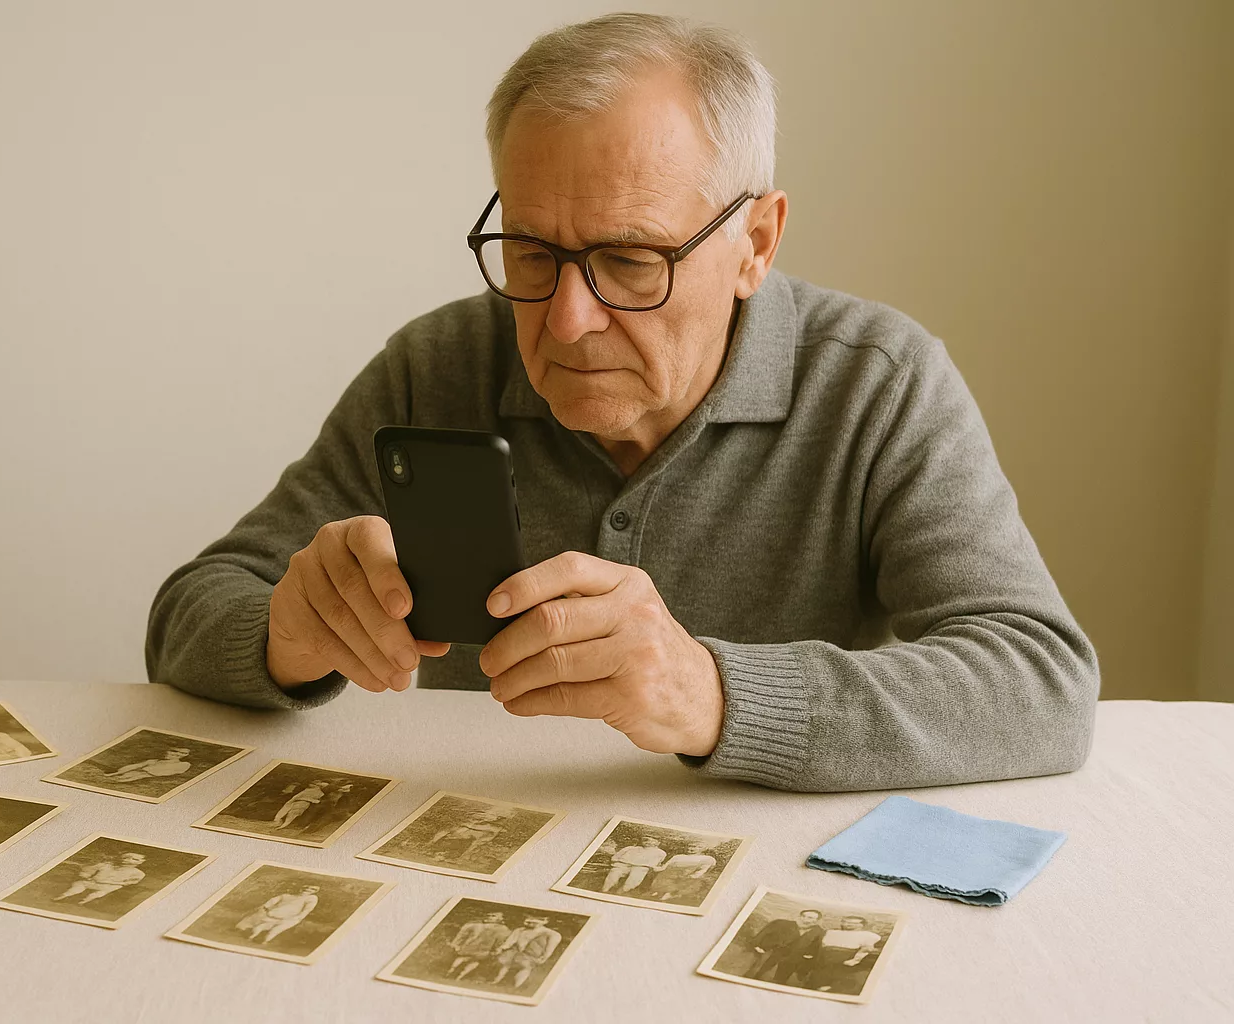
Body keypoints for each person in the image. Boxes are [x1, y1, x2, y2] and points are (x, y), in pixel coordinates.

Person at [145, 12, 1098, 793]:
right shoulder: (437, 365)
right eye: (531, 253)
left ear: (756, 244)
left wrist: (710, 693)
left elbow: (1041, 682)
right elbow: (187, 614)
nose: (566, 321)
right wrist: (284, 637)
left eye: (631, 260)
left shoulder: (878, 383)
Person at [745, 908, 825, 985]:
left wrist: (808, 957)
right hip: (772, 955)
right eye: (803, 916)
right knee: (757, 975)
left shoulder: (819, 932)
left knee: (779, 981)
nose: (804, 919)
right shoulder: (783, 924)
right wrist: (757, 945)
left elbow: (816, 947)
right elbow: (764, 933)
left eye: (810, 918)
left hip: (792, 962)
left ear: (816, 921)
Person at [808, 915, 884, 994]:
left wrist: (856, 960)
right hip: (824, 961)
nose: (848, 924)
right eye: (845, 922)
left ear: (861, 925)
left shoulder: (868, 935)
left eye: (853, 923)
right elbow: (818, 946)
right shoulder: (831, 932)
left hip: (847, 962)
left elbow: (868, 950)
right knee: (816, 982)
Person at [490, 916, 562, 988]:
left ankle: (516, 986)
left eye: (535, 921)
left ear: (545, 921)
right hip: (514, 953)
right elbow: (509, 942)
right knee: (505, 965)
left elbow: (550, 947)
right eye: (529, 921)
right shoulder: (520, 930)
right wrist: (501, 948)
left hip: (531, 955)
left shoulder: (551, 934)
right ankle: (496, 980)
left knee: (525, 968)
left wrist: (545, 956)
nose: (531, 923)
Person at [52, 851, 148, 905]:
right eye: (126, 858)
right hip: (93, 882)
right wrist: (86, 875)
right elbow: (90, 869)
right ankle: (64, 895)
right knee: (79, 884)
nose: (129, 860)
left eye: (135, 859)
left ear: (140, 862)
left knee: (101, 892)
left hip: (110, 886)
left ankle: (85, 901)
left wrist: (115, 883)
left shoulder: (138, 873)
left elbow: (130, 882)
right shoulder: (107, 865)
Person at [235, 885, 320, 943]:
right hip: (274, 915)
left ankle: (264, 940)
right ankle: (249, 934)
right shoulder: (286, 896)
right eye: (305, 887)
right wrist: (265, 907)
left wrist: (298, 917)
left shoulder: (311, 898)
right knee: (259, 924)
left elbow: (308, 909)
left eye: (312, 889)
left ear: (314, 891)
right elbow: (272, 901)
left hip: (291, 918)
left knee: (276, 929)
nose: (307, 889)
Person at [446, 911, 511, 980]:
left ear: (500, 918)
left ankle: (460, 976)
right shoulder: (477, 924)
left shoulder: (503, 929)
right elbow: (463, 933)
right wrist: (456, 943)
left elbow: (501, 940)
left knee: (475, 961)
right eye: (489, 915)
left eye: (493, 916)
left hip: (485, 948)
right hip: (471, 945)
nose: (490, 917)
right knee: (462, 958)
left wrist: (497, 949)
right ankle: (450, 971)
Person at [425, 808, 507, 862]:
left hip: (465, 835)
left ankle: (431, 844)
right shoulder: (491, 831)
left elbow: (470, 831)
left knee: (459, 829)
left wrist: (431, 842)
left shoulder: (493, 830)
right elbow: (474, 839)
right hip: (467, 835)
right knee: (459, 830)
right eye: (442, 855)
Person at [649, 841, 718, 902]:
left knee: (684, 883)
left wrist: (694, 876)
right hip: (669, 876)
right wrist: (655, 867)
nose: (692, 849)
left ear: (703, 849)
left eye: (697, 847)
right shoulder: (678, 856)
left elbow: (702, 870)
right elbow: (665, 866)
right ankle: (660, 891)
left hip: (686, 877)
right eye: (690, 846)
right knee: (663, 878)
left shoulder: (706, 858)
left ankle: (671, 894)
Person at [603, 836, 667, 892]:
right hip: (623, 865)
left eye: (652, 841)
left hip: (641, 868)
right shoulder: (630, 848)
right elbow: (615, 857)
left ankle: (622, 892)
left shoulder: (660, 853)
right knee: (614, 874)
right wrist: (618, 863)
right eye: (645, 840)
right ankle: (605, 890)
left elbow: (658, 863)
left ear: (658, 843)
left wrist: (652, 867)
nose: (647, 842)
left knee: (634, 879)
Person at [103, 747, 193, 783]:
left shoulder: (183, 764)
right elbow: (137, 765)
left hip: (165, 768)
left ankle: (118, 779)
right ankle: (115, 774)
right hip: (159, 764)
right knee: (139, 767)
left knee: (140, 773)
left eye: (181, 753)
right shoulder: (153, 761)